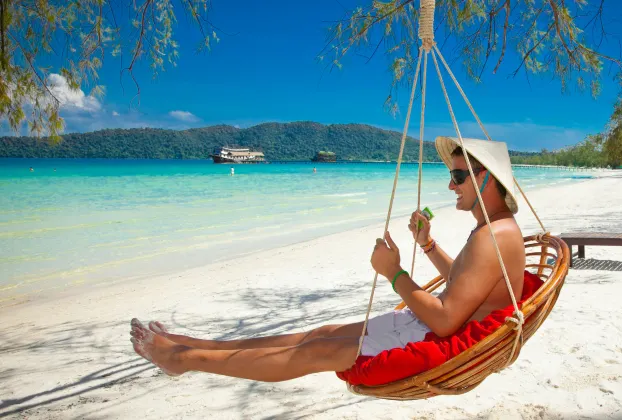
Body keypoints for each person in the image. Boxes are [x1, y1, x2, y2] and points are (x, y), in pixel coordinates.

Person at [130, 137, 527, 382]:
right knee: (319, 333)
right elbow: (464, 281)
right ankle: (196, 344)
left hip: (435, 337)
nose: (449, 185)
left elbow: (445, 318)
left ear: (486, 178)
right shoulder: (495, 229)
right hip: (428, 326)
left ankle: (185, 360)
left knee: (314, 352)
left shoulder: (494, 236)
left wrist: (394, 274)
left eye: (458, 177)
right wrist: (426, 245)